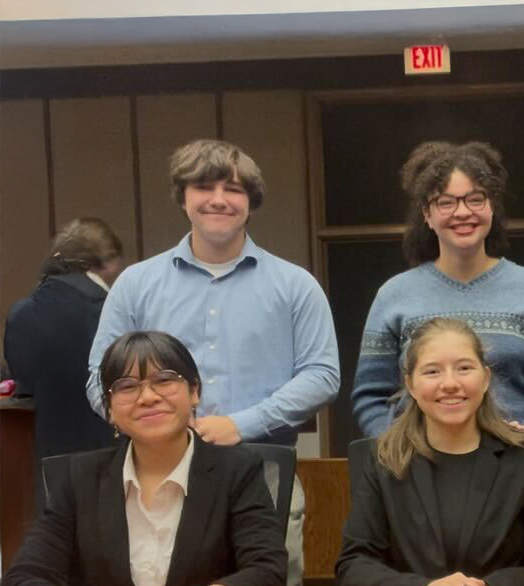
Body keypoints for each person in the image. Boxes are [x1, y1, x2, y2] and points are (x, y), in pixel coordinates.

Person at [86, 139, 340, 585]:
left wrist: (243, 423)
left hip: (263, 470)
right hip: (155, 477)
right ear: (183, 197)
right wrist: (152, 424)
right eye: (204, 187)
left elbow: (322, 376)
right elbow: (98, 379)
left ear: (251, 202)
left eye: (234, 189)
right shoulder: (135, 285)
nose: (219, 199)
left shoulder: (296, 285)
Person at [3, 331, 286, 586]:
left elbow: (266, 570)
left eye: (164, 380)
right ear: (110, 409)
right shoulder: (80, 478)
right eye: (127, 387)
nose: (147, 397)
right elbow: (25, 575)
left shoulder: (237, 471)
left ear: (194, 391)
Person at [352, 141, 524, 445]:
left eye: (475, 199)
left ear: (492, 207)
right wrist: (397, 450)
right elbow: (370, 396)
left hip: (515, 469)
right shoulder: (393, 296)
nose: (462, 212)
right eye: (446, 202)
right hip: (417, 473)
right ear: (427, 215)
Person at [336, 317, 524, 586]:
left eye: (464, 368)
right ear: (410, 385)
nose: (450, 383)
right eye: (432, 372)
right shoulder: (382, 459)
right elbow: (354, 565)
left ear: (486, 378)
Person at [4, 217, 125, 508]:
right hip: (117, 463)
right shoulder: (113, 310)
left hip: (50, 468)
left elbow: (25, 384)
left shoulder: (21, 314)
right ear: (107, 261)